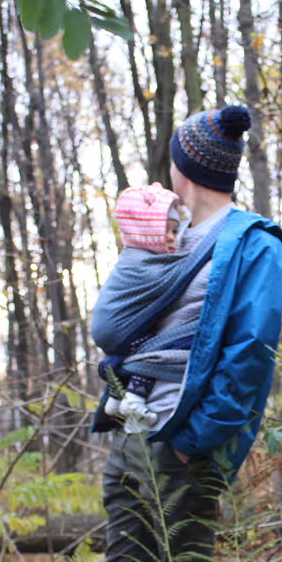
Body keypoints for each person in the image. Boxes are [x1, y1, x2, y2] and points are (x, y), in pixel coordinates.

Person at [91, 104, 282, 562]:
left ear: (183, 165)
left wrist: (191, 442)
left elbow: (249, 358)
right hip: (129, 430)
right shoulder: (161, 235)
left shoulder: (253, 245)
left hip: (183, 443)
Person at [101, 182, 183, 430]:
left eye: (175, 231)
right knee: (152, 350)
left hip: (115, 330)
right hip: (123, 328)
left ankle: (115, 397)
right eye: (166, 231)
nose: (172, 238)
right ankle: (134, 398)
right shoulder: (143, 261)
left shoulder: (132, 256)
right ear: (145, 231)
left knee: (128, 352)